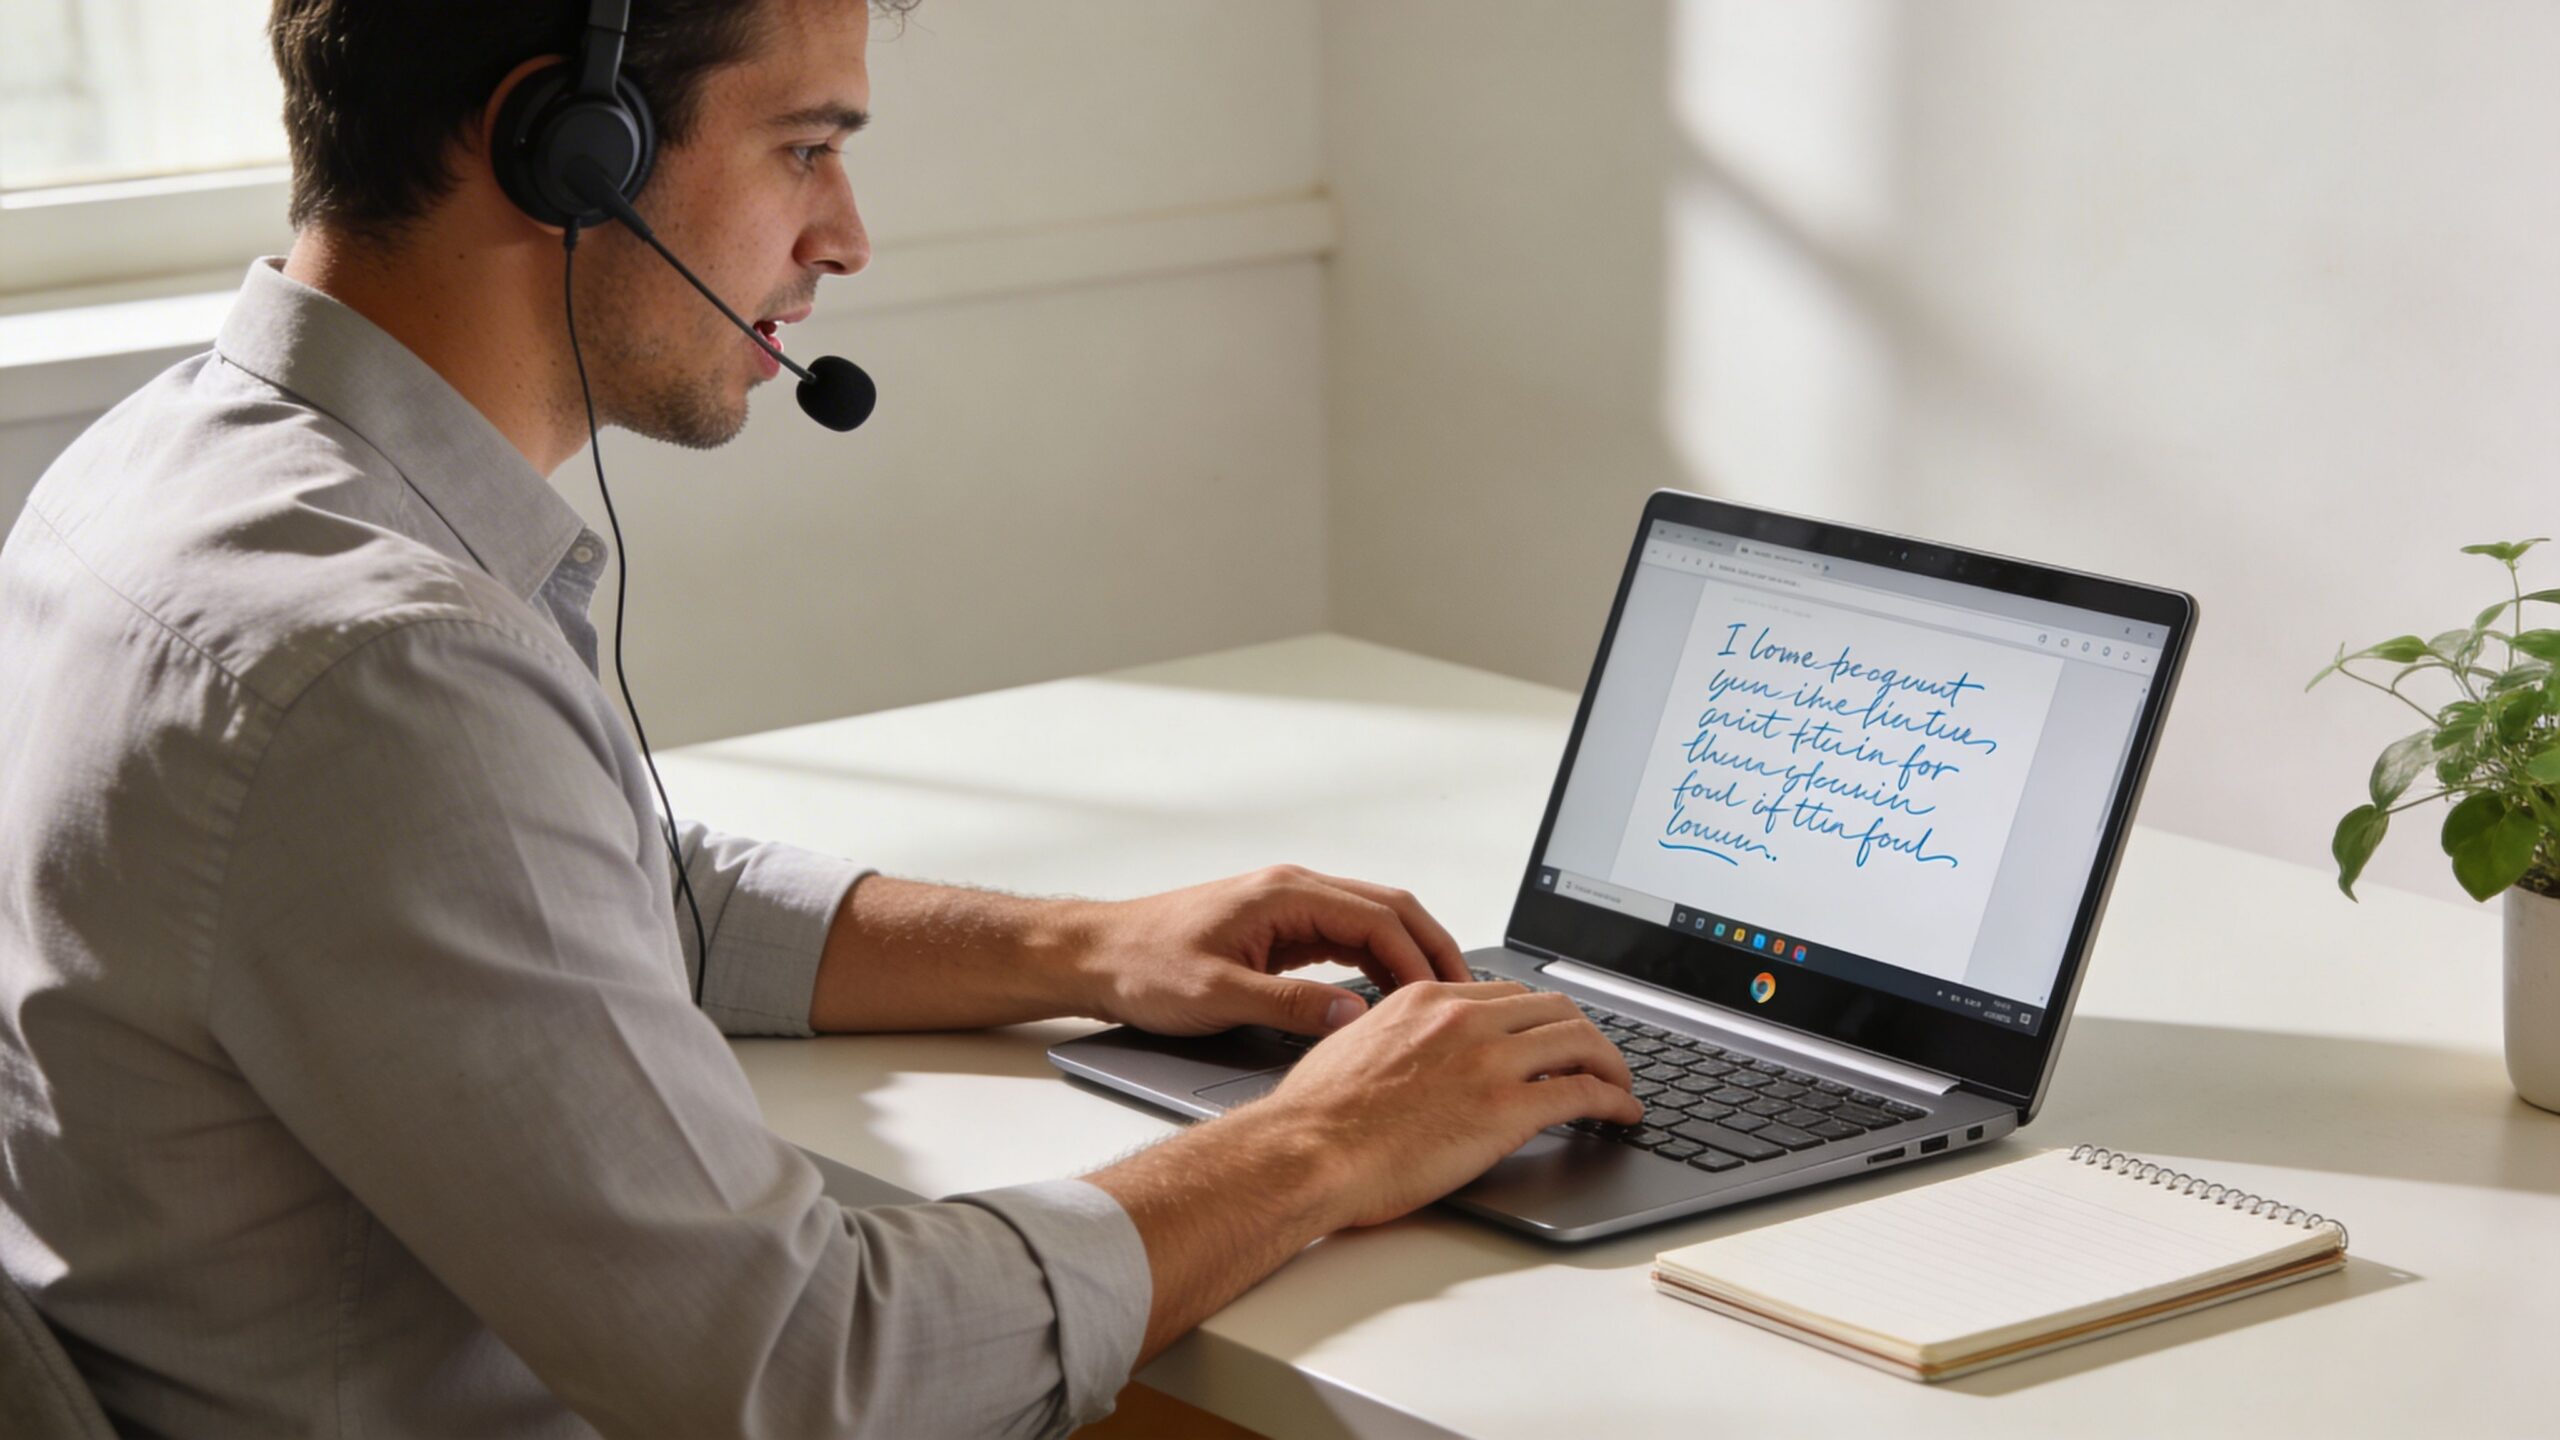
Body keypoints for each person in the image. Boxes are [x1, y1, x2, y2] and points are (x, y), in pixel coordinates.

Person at [0, 1, 1640, 1436]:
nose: (847, 236)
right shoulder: (381, 674)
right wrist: (1325, 1146)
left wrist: (1089, 948)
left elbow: (597, 887)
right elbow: (812, 1380)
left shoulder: (162, 477)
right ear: (565, 148)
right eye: (803, 149)